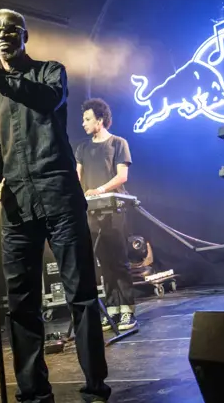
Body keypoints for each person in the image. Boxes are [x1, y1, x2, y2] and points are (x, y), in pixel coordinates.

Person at [0, 9, 111, 403]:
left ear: (25, 36)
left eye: (11, 30)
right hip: (17, 205)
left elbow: (45, 100)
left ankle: (95, 387)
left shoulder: (51, 72)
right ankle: (33, 391)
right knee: (21, 303)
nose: (3, 35)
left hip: (59, 197)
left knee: (80, 294)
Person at [75, 98, 137, 331]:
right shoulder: (82, 148)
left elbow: (122, 176)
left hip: (114, 209)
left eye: (87, 119)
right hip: (91, 212)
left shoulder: (118, 143)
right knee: (103, 261)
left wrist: (100, 190)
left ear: (100, 121)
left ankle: (127, 309)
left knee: (119, 259)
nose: (83, 123)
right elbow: (77, 176)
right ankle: (111, 309)